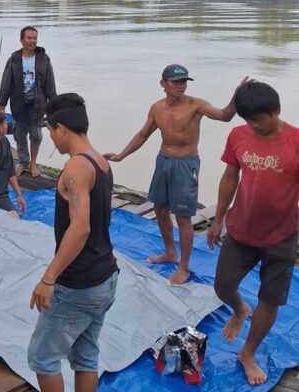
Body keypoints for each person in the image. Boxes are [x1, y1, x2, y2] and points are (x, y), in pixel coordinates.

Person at [104, 65, 248, 284]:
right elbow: (143, 134)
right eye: (176, 82)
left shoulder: (196, 105)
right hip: (163, 161)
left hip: (185, 165)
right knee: (160, 208)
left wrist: (236, 96)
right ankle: (170, 252)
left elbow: (224, 116)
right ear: (163, 84)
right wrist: (121, 155)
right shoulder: (157, 108)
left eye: (184, 82)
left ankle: (184, 267)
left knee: (183, 217)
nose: (181, 86)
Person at [207, 81, 299, 386]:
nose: (253, 126)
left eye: (258, 119)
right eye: (248, 120)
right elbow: (229, 176)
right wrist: (217, 220)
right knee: (222, 285)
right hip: (240, 231)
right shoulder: (238, 135)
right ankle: (239, 309)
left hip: (281, 237)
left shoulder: (296, 141)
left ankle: (248, 353)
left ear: (276, 111)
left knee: (270, 300)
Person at [28, 93, 118, 392]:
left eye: (51, 132)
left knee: (42, 357)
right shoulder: (101, 162)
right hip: (105, 277)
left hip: (79, 284)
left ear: (61, 128)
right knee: (85, 356)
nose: (52, 140)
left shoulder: (76, 167)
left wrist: (48, 279)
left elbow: (80, 229)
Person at [0, 26, 57, 179]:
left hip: (38, 104)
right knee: (19, 134)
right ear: (22, 40)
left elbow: (50, 83)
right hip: (19, 104)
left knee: (36, 135)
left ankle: (33, 163)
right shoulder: (14, 59)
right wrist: (2, 105)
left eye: (34, 38)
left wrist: (54, 106)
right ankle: (23, 161)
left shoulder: (44, 58)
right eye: (29, 38)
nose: (32, 41)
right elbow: (6, 82)